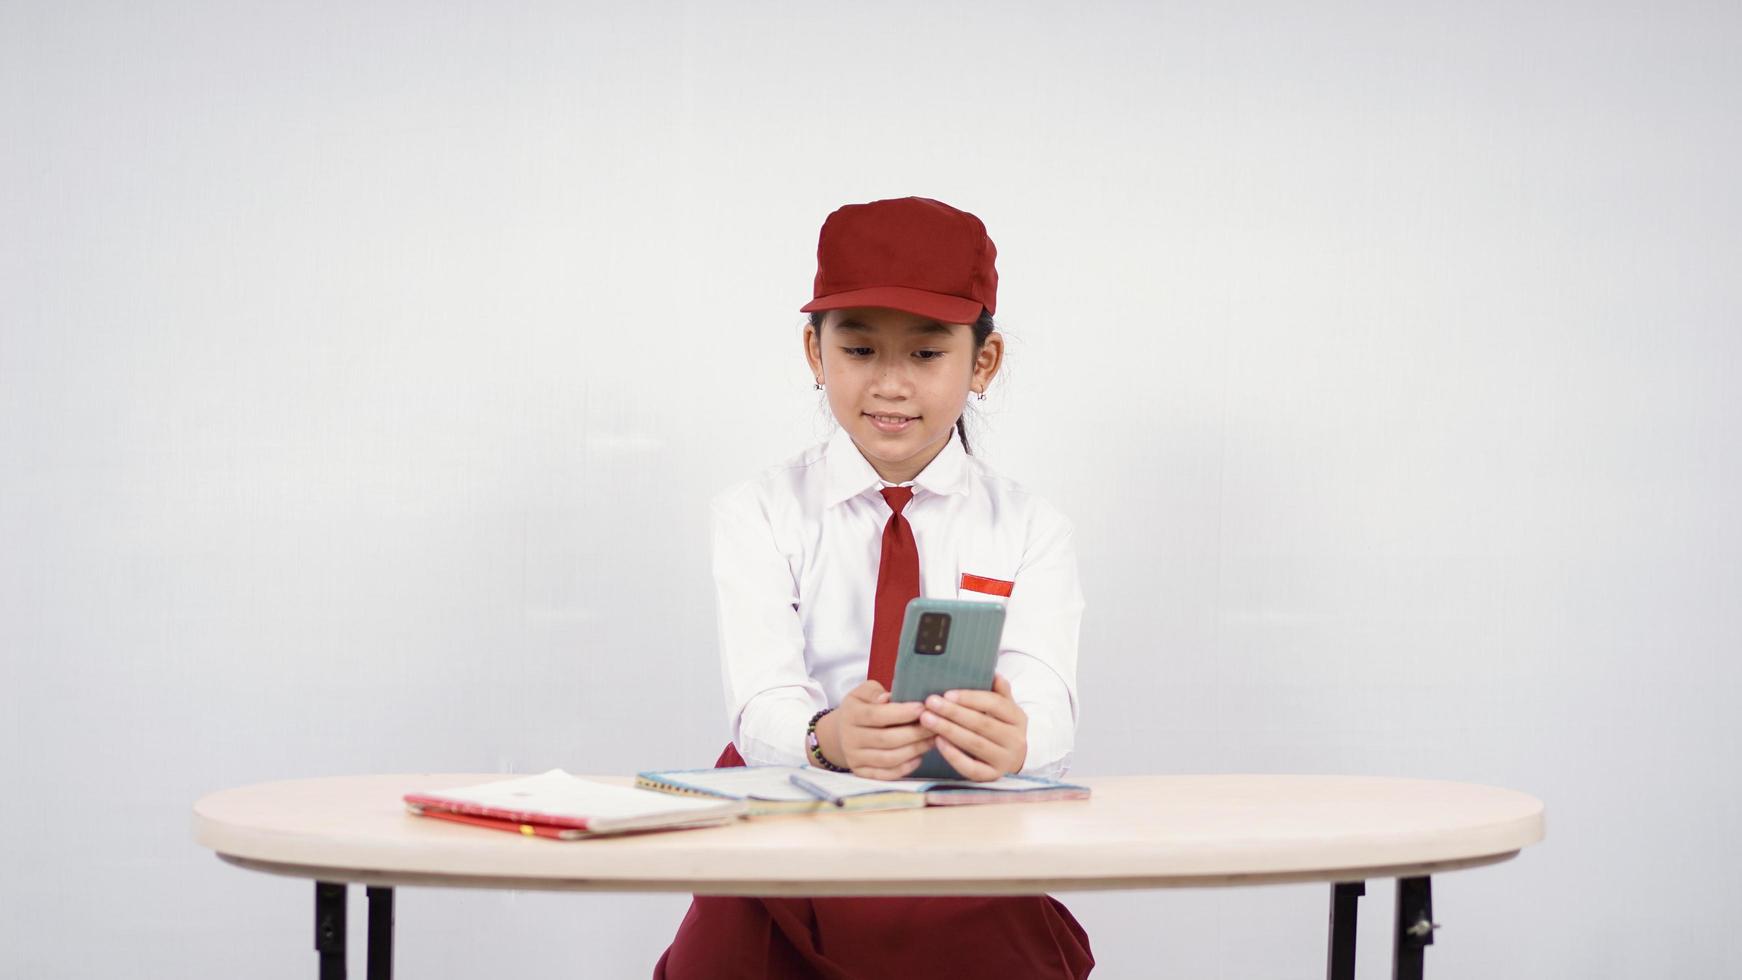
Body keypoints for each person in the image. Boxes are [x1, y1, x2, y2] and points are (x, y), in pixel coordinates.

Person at [653, 196, 1093, 979]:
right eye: (859, 350)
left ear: (981, 364)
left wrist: (1017, 738)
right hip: (789, 829)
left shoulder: (1031, 526)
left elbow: (1050, 702)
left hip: (960, 826)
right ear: (816, 356)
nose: (890, 384)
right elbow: (761, 702)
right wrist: (827, 737)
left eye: (926, 355)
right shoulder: (757, 512)